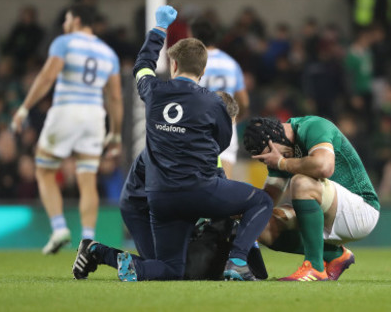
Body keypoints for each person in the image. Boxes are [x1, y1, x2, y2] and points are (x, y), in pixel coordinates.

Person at [73, 5, 271, 282]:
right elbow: (222, 142)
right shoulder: (214, 103)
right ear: (202, 70)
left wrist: (159, 29)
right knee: (261, 201)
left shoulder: (153, 91)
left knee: (170, 269)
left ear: (174, 65)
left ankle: (112, 256)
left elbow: (142, 66)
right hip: (199, 190)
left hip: (161, 199)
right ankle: (236, 261)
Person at [72, 91, 267, 280]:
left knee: (166, 268)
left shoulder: (197, 141)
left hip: (161, 205)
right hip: (141, 206)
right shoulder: (188, 143)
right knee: (170, 268)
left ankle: (98, 252)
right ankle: (103, 254)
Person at [11, 4, 123, 255]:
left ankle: (59, 227)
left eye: (67, 19)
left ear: (77, 20)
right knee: (87, 180)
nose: (64, 24)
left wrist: (24, 108)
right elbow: (115, 97)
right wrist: (115, 133)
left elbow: (48, 76)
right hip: (94, 115)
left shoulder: (65, 42)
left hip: (66, 109)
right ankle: (88, 241)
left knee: (43, 169)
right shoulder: (108, 53)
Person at [243, 116, 380, 281]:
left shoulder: (313, 127)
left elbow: (324, 167)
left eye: (270, 155)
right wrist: (241, 209)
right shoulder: (281, 153)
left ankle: (314, 267)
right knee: (261, 223)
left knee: (301, 182)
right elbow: (267, 199)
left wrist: (281, 162)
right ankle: (335, 255)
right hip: (327, 211)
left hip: (361, 210)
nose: (272, 160)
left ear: (274, 136)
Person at [191, 18, 249, 179]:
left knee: (196, 180)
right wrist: (237, 116)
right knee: (225, 179)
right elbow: (243, 101)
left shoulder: (192, 63)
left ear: (193, 37)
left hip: (198, 125)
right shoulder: (231, 64)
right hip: (226, 123)